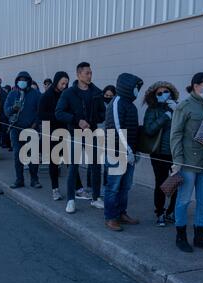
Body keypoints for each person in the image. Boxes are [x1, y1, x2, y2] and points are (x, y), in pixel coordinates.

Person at [170, 72, 203, 253]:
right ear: (196, 86)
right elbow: (175, 134)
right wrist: (178, 160)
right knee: (183, 200)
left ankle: (200, 237)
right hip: (189, 163)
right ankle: (180, 236)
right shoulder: (185, 106)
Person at [56, 62, 106, 214]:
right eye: (87, 73)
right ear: (79, 75)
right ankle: (71, 200)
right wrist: (77, 120)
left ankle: (96, 198)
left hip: (93, 133)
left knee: (96, 166)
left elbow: (103, 113)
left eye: (91, 73)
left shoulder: (97, 92)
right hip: (75, 134)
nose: (90, 75)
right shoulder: (69, 93)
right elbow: (59, 112)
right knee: (73, 167)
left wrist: (95, 118)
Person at [104, 73, 143, 232]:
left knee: (125, 186)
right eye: (136, 87)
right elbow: (117, 128)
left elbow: (133, 129)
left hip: (129, 152)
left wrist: (136, 150)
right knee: (113, 187)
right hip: (116, 152)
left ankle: (121, 213)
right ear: (128, 86)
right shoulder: (117, 102)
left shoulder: (130, 105)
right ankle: (110, 217)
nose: (137, 91)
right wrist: (128, 150)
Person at [142, 81, 180, 227]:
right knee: (160, 182)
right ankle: (160, 212)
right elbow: (149, 130)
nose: (163, 95)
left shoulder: (178, 107)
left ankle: (171, 211)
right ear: (154, 95)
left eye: (166, 91)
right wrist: (166, 116)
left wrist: (177, 111)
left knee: (176, 182)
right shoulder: (152, 110)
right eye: (159, 93)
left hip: (176, 152)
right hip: (159, 153)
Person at [5, 71, 42, 189]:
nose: (22, 82)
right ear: (17, 81)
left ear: (29, 81)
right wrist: (13, 108)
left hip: (31, 128)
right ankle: (19, 180)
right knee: (17, 154)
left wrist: (35, 123)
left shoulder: (36, 94)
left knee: (33, 155)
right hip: (16, 128)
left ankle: (34, 179)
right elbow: (6, 111)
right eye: (20, 80)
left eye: (24, 80)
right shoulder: (12, 94)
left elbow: (40, 111)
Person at [38, 71, 70, 201]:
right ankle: (55, 189)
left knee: (70, 160)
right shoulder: (46, 96)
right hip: (51, 132)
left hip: (66, 131)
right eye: (62, 83)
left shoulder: (66, 94)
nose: (64, 86)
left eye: (66, 84)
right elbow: (41, 114)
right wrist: (57, 116)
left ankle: (78, 188)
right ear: (56, 81)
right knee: (54, 162)